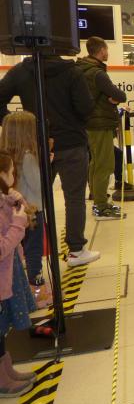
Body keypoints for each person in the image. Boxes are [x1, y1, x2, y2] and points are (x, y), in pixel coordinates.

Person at [0, 55, 98, 268]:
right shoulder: (72, 71)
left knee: (32, 200)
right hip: (72, 142)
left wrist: (16, 125)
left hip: (36, 144)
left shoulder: (22, 70)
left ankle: (27, 253)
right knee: (74, 198)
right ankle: (76, 250)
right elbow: (86, 108)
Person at [0, 112, 50, 308]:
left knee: (23, 252)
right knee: (34, 250)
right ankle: (37, 289)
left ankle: (28, 290)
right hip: (31, 212)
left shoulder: (8, 158)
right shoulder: (28, 157)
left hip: (15, 213)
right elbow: (38, 185)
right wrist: (45, 164)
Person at [0, 150, 38, 398]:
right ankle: (3, 380)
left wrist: (15, 199)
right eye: (11, 173)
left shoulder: (4, 200)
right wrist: (17, 224)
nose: (14, 177)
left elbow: (24, 209)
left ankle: (7, 370)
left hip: (7, 276)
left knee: (2, 329)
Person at [77, 36, 127, 221]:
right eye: (107, 49)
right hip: (100, 124)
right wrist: (114, 98)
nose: (108, 53)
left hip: (89, 123)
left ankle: (96, 197)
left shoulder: (82, 69)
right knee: (105, 164)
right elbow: (120, 95)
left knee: (95, 162)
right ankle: (101, 206)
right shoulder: (98, 73)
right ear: (102, 50)